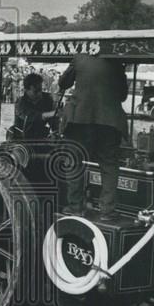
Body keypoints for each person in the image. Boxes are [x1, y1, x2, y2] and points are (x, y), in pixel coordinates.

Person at [57, 54, 128, 220]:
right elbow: (123, 95)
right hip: (109, 120)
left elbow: (63, 83)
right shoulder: (116, 60)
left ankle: (75, 207)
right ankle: (107, 210)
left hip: (80, 119)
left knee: (74, 162)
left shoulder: (79, 58)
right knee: (109, 165)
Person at [13, 72, 57, 140]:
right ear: (26, 90)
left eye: (40, 90)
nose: (39, 94)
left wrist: (56, 132)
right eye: (36, 91)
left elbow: (53, 122)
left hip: (41, 136)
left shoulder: (47, 99)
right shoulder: (20, 102)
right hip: (21, 138)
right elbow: (30, 116)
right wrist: (50, 114)